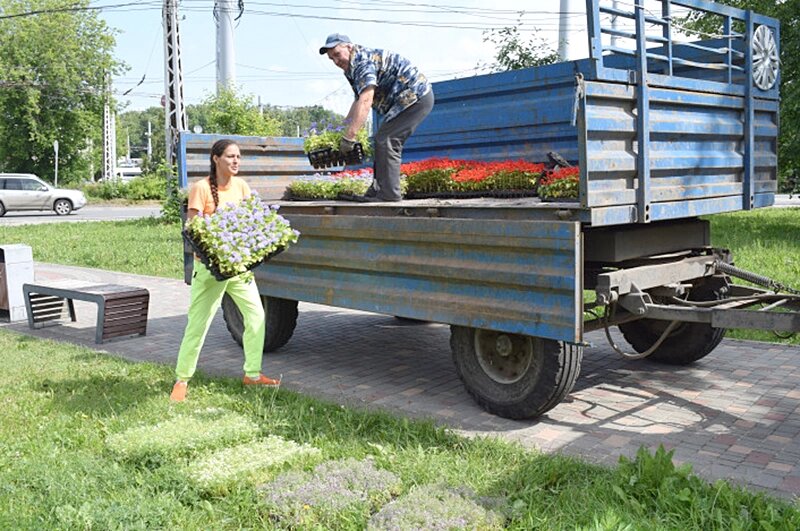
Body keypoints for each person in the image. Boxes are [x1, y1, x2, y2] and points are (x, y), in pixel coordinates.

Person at [170, 139, 281, 402]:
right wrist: (214, 252)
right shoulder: (201, 188)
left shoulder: (241, 186)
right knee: (198, 325)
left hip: (239, 269)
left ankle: (252, 375)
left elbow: (251, 222)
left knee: (256, 317)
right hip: (210, 270)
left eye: (238, 157)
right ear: (215, 158)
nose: (235, 161)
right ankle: (182, 380)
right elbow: (192, 229)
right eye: (230, 156)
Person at [320, 33, 434, 202]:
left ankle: (389, 194)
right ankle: (378, 189)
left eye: (337, 54)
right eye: (332, 59)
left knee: (387, 139)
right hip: (402, 100)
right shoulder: (351, 67)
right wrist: (343, 130)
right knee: (381, 139)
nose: (336, 61)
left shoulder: (362, 62)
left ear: (349, 47)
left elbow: (366, 101)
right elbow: (358, 101)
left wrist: (350, 137)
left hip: (415, 96)